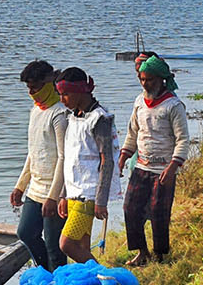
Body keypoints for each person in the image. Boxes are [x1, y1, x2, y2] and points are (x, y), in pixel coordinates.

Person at [119, 55, 191, 266]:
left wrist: (172, 167)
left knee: (159, 213)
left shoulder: (173, 105)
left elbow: (183, 140)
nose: (145, 83)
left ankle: (160, 255)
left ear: (161, 79)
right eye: (142, 79)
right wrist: (124, 155)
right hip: (141, 165)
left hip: (164, 169)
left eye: (149, 79)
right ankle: (142, 252)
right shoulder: (139, 101)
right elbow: (133, 133)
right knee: (130, 209)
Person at [56, 67, 120, 264]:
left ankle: (104, 277)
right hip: (74, 191)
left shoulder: (99, 119)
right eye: (60, 94)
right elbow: (72, 160)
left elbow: (107, 161)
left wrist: (101, 200)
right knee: (82, 247)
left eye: (65, 94)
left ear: (81, 90)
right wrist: (63, 195)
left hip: (89, 194)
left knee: (66, 244)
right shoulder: (74, 116)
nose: (62, 99)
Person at [10, 60, 68, 271]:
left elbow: (64, 158)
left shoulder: (60, 114)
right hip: (35, 189)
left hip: (56, 191)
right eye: (29, 88)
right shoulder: (36, 111)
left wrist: (54, 196)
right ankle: (45, 275)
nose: (32, 92)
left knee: (55, 246)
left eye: (35, 87)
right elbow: (33, 153)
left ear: (49, 82)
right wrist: (20, 185)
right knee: (25, 233)